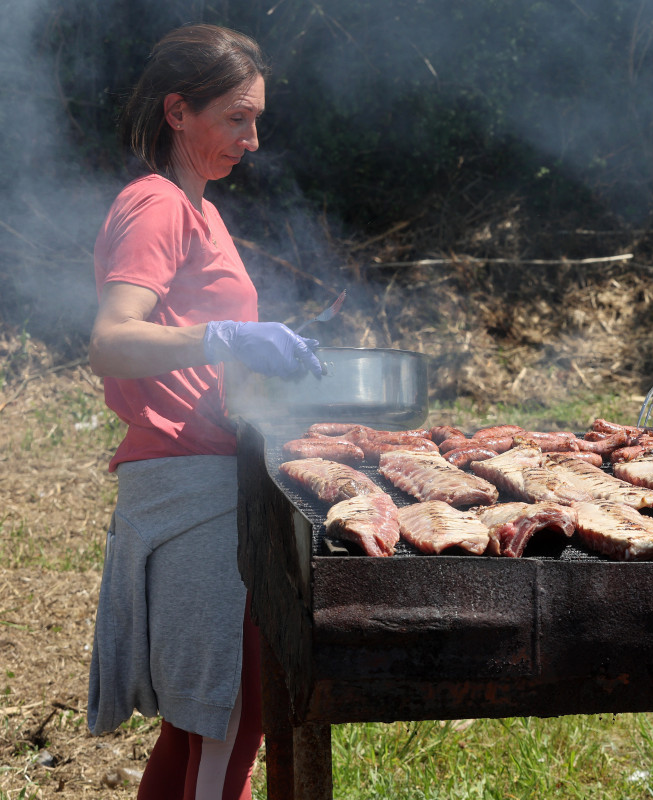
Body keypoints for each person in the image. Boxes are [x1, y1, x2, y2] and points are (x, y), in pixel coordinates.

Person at [86, 24, 321, 800]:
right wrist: (225, 336)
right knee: (233, 718)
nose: (253, 140)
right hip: (191, 492)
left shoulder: (203, 210)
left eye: (257, 119)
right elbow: (113, 342)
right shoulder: (156, 204)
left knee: (200, 722)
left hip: (213, 473)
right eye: (236, 118)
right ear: (177, 111)